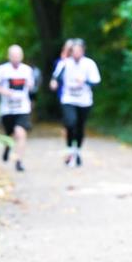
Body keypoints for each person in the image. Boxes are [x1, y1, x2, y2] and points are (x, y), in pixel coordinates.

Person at [50, 38, 100, 167]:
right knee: (70, 123)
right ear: (71, 52)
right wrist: (54, 83)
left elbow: (96, 82)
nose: (76, 53)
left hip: (84, 101)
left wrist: (85, 81)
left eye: (79, 50)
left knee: (80, 127)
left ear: (83, 51)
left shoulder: (89, 64)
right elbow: (56, 77)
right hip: (69, 99)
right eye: (74, 51)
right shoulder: (65, 63)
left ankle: (77, 152)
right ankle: (70, 150)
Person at [0, 45, 36, 172]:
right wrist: (5, 92)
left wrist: (30, 85)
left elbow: (31, 86)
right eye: (13, 55)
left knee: (20, 132)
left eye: (18, 55)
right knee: (10, 134)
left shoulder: (27, 70)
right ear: (9, 56)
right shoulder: (2, 70)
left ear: (22, 56)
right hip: (7, 108)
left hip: (22, 108)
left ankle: (19, 161)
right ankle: (7, 147)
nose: (16, 58)